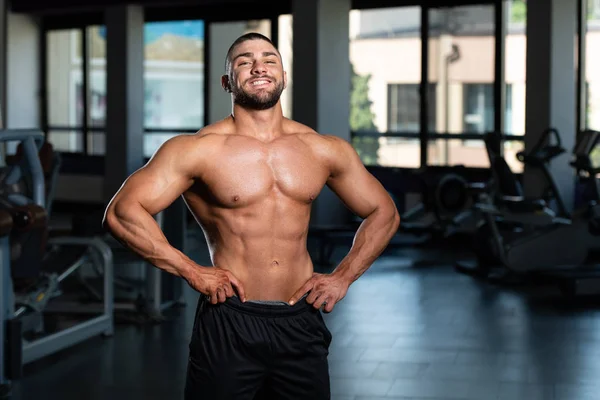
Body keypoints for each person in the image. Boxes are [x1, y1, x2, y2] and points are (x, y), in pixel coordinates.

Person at [103, 32, 400, 400]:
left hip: (300, 321)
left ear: (283, 76)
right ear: (228, 81)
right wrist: (192, 270)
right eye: (244, 61)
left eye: (269, 59)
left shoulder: (322, 148)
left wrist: (342, 277)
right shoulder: (197, 150)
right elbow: (121, 212)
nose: (259, 66)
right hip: (230, 320)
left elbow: (383, 211)